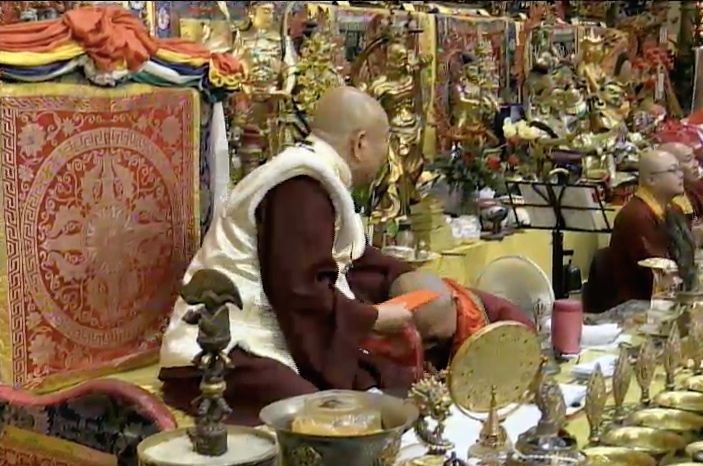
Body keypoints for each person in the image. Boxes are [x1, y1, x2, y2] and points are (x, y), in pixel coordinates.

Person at [158, 87, 531, 426]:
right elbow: (300, 292)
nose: (388, 155)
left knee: (378, 383)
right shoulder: (299, 186)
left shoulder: (316, 177)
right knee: (324, 419)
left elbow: (350, 261)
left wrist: (404, 278)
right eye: (387, 142)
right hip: (223, 348)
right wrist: (373, 318)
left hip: (278, 331)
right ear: (360, 143)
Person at [605, 149, 693, 305]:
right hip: (639, 304)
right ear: (651, 179)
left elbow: (687, 254)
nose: (681, 175)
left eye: (680, 169)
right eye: (673, 170)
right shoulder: (636, 216)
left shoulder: (673, 209)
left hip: (672, 294)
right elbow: (658, 272)